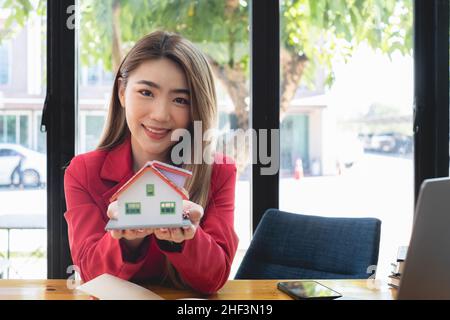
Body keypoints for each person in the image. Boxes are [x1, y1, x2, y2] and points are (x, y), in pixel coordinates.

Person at [64, 31, 238, 294]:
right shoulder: (83, 172)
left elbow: (214, 280)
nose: (160, 115)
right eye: (146, 92)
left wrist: (185, 239)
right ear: (122, 92)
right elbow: (91, 277)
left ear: (196, 109)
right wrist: (127, 239)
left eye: (180, 100)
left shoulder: (219, 171)